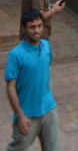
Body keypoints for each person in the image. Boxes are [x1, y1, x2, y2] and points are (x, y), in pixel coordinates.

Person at [4, 10, 61, 150]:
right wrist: (20, 116)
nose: (36, 30)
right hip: (26, 115)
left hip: (49, 110)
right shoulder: (15, 55)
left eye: (39, 26)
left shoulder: (46, 46)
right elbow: (10, 87)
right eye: (32, 27)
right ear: (24, 28)